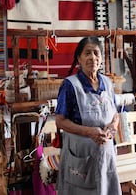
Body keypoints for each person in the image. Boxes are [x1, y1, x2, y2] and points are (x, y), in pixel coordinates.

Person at [54, 36, 121, 195]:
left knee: (105, 187)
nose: (93, 58)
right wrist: (90, 132)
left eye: (97, 53)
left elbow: (115, 114)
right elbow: (60, 121)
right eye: (88, 53)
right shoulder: (70, 85)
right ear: (79, 58)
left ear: (101, 58)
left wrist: (112, 128)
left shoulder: (108, 83)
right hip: (80, 153)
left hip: (105, 151)